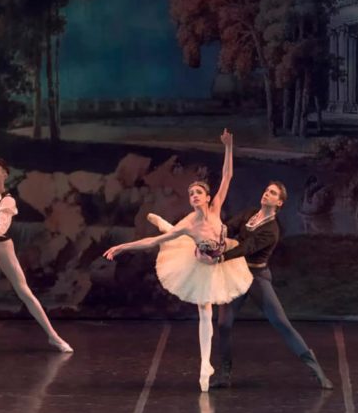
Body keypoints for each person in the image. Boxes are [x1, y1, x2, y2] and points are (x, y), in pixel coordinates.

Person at [103, 129, 253, 392]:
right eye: (191, 193)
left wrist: (229, 146)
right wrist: (123, 246)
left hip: (221, 260)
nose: (194, 196)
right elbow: (151, 244)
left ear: (207, 197)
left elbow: (228, 175)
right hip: (200, 264)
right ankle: (205, 364)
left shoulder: (216, 207)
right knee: (204, 312)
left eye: (198, 192)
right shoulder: (189, 224)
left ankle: (163, 224)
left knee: (172, 235)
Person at [203, 181, 334, 389]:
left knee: (280, 322)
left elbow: (246, 247)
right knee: (223, 324)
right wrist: (213, 233)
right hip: (235, 274)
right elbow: (229, 227)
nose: (266, 194)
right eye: (266, 190)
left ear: (279, 202)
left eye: (272, 193)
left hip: (256, 277)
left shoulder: (272, 230)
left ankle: (315, 368)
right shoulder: (250, 214)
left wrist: (219, 256)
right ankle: (225, 374)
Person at [0, 157, 73, 353]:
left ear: (5, 175)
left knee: (23, 290)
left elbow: (1, 228)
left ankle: (54, 336)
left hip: (1, 247)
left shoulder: (7, 200)